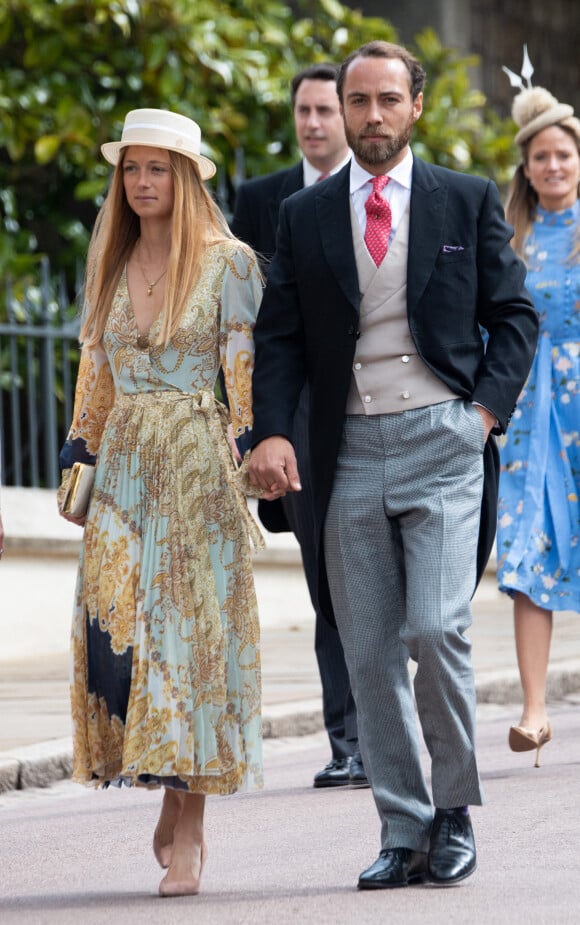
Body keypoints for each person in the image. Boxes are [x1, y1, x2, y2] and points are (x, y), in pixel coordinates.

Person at [248, 41, 538, 889]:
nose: (371, 117)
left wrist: (481, 414)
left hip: (443, 442)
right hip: (347, 450)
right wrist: (271, 432)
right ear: (340, 109)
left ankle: (453, 811)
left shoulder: (466, 199)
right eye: (356, 102)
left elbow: (513, 315)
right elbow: (281, 339)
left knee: (436, 628)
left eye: (386, 101)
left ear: (415, 106)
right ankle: (402, 827)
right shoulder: (303, 217)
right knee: (369, 645)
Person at [57, 109, 264, 898]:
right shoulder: (109, 261)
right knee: (124, 639)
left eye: (158, 169)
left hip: (196, 468)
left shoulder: (229, 263)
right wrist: (79, 458)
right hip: (120, 478)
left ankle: (191, 825)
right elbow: (95, 377)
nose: (143, 183)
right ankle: (164, 783)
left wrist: (254, 464)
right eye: (132, 169)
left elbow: (241, 375)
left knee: (193, 645)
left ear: (185, 176)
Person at [232, 64, 367, 789]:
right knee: (327, 577)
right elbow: (249, 327)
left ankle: (391, 725)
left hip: (381, 408)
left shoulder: (386, 194)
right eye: (304, 111)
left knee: (383, 583)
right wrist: (253, 426)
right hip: (300, 419)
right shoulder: (261, 202)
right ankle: (349, 740)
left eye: (326, 110)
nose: (314, 123)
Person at [496, 79, 580, 768]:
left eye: (564, 156)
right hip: (531, 413)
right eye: (541, 158)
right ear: (526, 168)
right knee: (529, 550)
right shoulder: (508, 238)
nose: (553, 167)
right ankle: (534, 709)